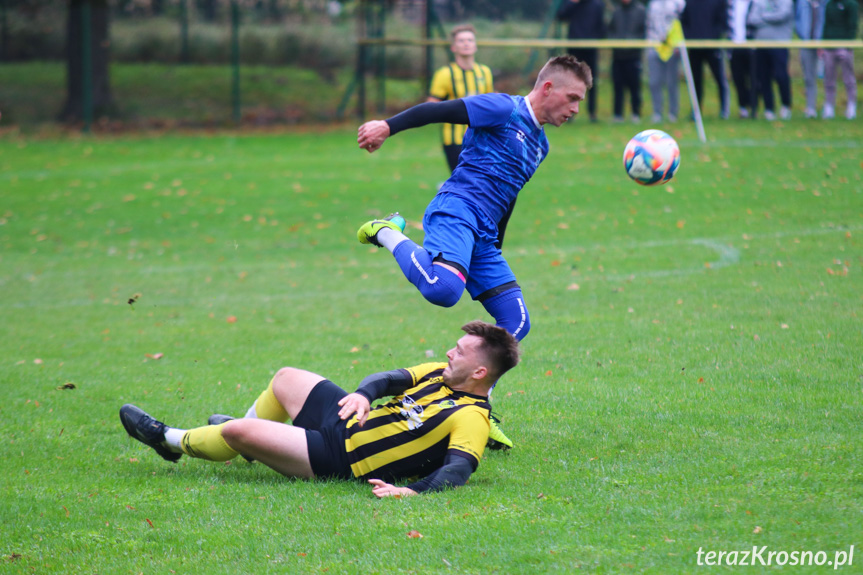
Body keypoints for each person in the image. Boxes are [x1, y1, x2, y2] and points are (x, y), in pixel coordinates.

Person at [120, 321, 521, 498]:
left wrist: (410, 492)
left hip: (340, 457)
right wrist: (363, 394)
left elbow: (458, 469)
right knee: (286, 377)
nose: (450, 352)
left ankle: (169, 441)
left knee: (237, 432)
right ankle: (251, 440)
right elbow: (389, 379)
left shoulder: (472, 417)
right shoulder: (439, 373)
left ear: (481, 371)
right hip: (348, 418)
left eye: (461, 351)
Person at [427, 24, 494, 172]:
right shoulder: (445, 74)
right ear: (453, 47)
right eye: (461, 40)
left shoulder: (485, 72)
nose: (466, 43)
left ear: (475, 46)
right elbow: (431, 106)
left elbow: (490, 104)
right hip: (454, 139)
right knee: (464, 180)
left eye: (470, 40)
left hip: (481, 138)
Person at [557, 0, 605, 122]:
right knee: (571, 81)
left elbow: (600, 26)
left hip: (590, 49)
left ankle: (592, 113)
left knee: (591, 82)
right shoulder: (572, 3)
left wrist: (595, 39)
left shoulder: (597, 4)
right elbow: (560, 16)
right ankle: (569, 113)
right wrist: (572, 3)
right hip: (574, 48)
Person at [681, 0, 731, 119]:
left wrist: (713, 37)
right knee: (695, 81)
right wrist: (690, 37)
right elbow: (684, 21)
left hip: (712, 46)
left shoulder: (718, 2)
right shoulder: (690, 2)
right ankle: (696, 111)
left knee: (719, 78)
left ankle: (724, 110)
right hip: (695, 47)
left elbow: (722, 21)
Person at [747, 0, 794, 120]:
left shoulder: (786, 2)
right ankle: (769, 108)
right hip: (761, 45)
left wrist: (762, 16)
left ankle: (785, 106)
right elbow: (752, 19)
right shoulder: (758, 1)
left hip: (779, 44)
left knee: (781, 75)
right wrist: (769, 18)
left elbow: (782, 16)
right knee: (763, 77)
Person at [647, 0, 687, 123]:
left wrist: (678, 44)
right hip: (654, 47)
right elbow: (649, 25)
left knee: (671, 82)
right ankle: (657, 112)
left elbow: (682, 24)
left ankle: (672, 113)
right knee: (654, 82)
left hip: (672, 48)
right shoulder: (652, 4)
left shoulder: (679, 3)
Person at [608, 0, 647, 123]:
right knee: (617, 87)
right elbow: (610, 30)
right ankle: (618, 114)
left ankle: (636, 113)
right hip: (618, 56)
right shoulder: (616, 11)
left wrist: (632, 43)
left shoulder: (640, 11)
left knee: (634, 87)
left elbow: (643, 32)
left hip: (633, 56)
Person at [819, 0, 858, 119]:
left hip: (844, 47)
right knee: (829, 78)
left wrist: (848, 45)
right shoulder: (829, 5)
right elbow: (826, 25)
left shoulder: (851, 4)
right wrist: (823, 44)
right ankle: (829, 106)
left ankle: (851, 106)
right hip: (829, 47)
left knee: (848, 78)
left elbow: (852, 26)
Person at [795, 0, 826, 118]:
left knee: (827, 78)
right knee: (809, 77)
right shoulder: (802, 2)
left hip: (824, 45)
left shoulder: (826, 3)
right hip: (806, 44)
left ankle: (827, 107)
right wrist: (803, 35)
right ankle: (811, 107)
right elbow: (796, 20)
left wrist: (822, 40)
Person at [729, 0, 755, 117]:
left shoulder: (754, 3)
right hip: (735, 46)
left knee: (754, 78)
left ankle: (754, 106)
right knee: (738, 78)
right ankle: (743, 107)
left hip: (751, 46)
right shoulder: (730, 4)